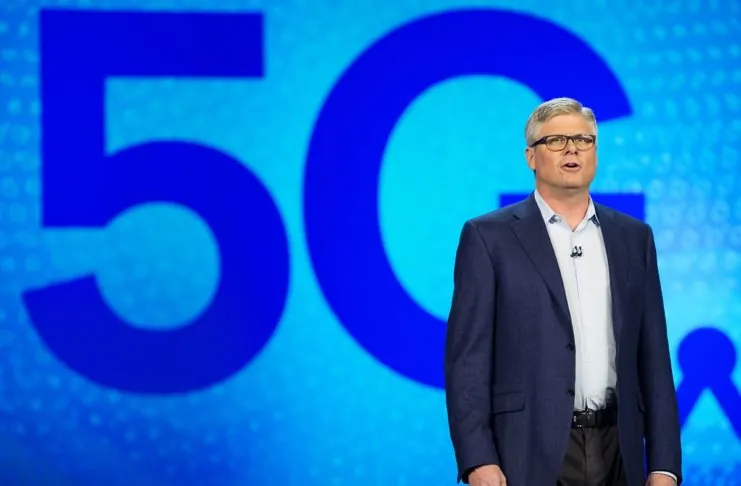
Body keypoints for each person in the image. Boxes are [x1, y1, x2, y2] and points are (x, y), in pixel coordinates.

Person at [443, 97, 682, 486]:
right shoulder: (488, 238)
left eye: (583, 140)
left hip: (618, 449)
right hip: (527, 450)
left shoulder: (634, 238)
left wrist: (664, 465)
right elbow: (468, 362)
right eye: (556, 140)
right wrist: (478, 459)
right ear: (531, 157)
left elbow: (654, 357)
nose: (572, 149)